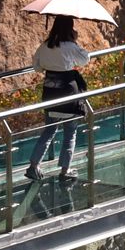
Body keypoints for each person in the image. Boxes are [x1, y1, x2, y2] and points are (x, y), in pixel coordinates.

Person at [26, 16, 92, 181]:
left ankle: (34, 165)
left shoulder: (45, 45)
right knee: (70, 132)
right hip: (69, 93)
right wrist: (75, 42)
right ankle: (65, 169)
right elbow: (85, 59)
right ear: (70, 28)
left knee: (49, 130)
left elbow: (37, 67)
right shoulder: (70, 46)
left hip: (50, 93)